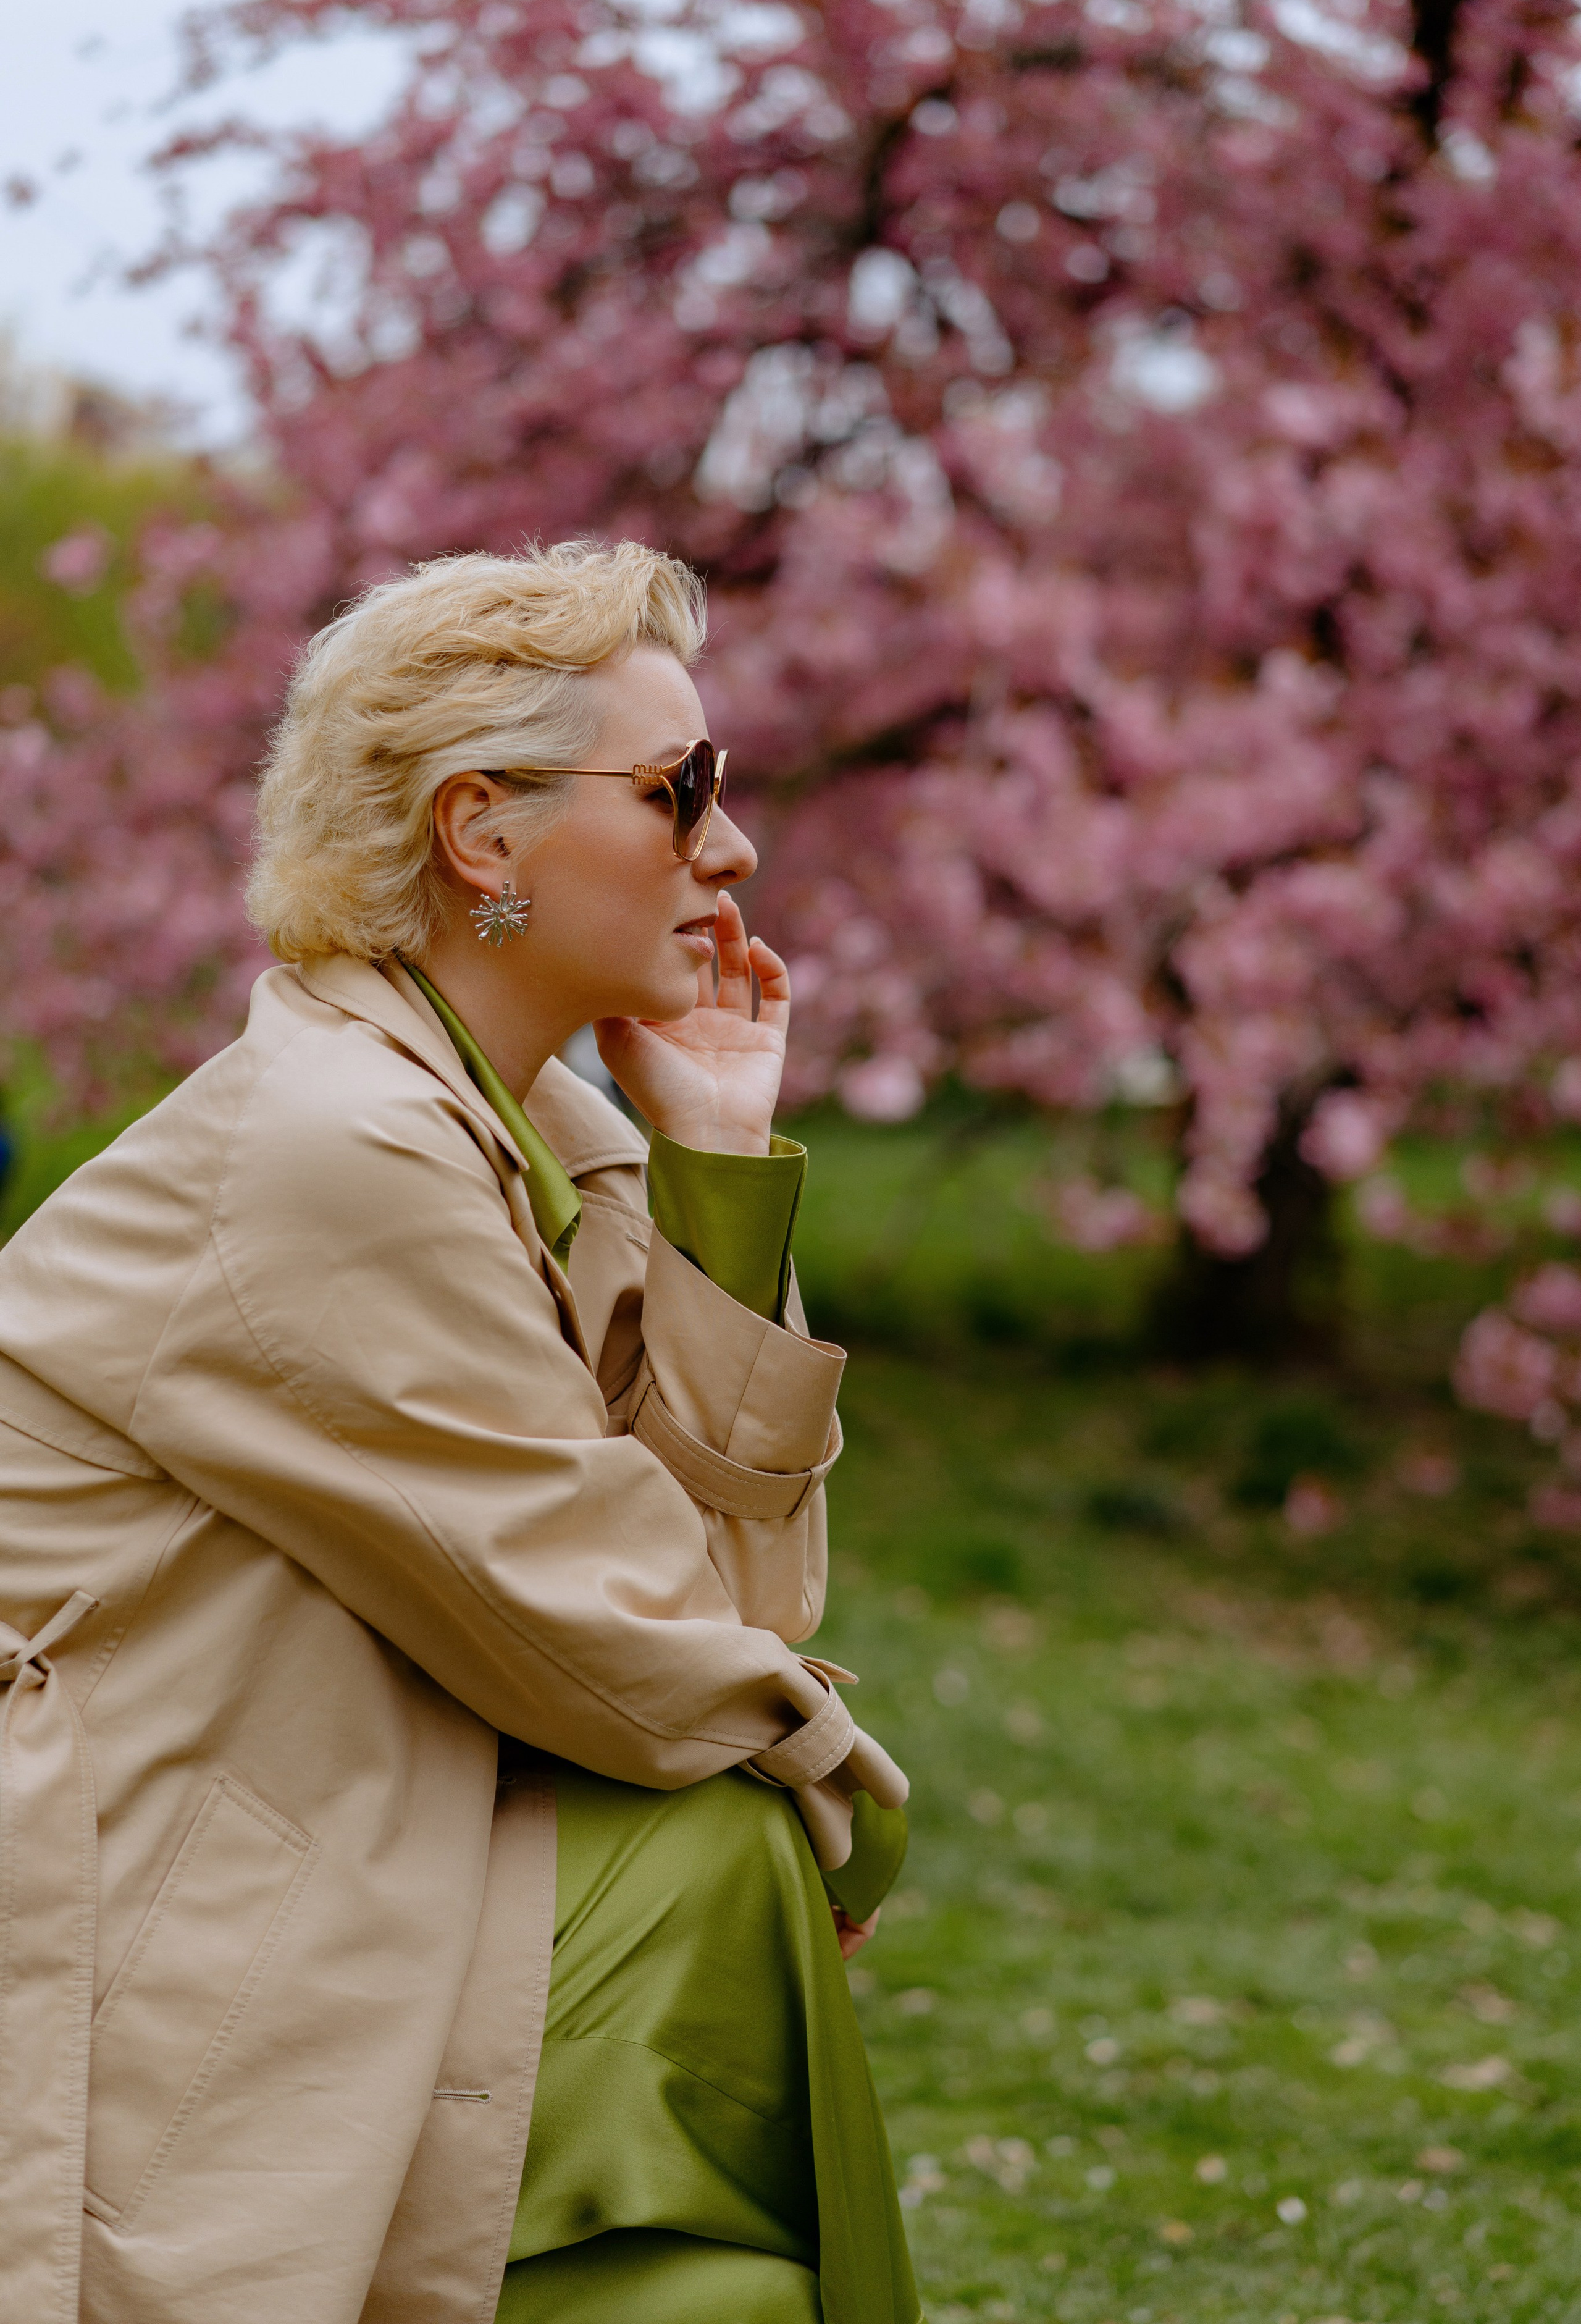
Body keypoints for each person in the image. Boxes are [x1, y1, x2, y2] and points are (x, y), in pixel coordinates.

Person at [0, 542, 918, 2324]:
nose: (732, 851)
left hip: (323, 1816)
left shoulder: (538, 1130)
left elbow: (723, 1602)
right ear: (482, 837)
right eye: (683, 790)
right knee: (732, 1863)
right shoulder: (336, 1143)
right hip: (144, 1909)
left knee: (722, 1881)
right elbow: (625, 1646)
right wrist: (845, 1814)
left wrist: (719, 1161)